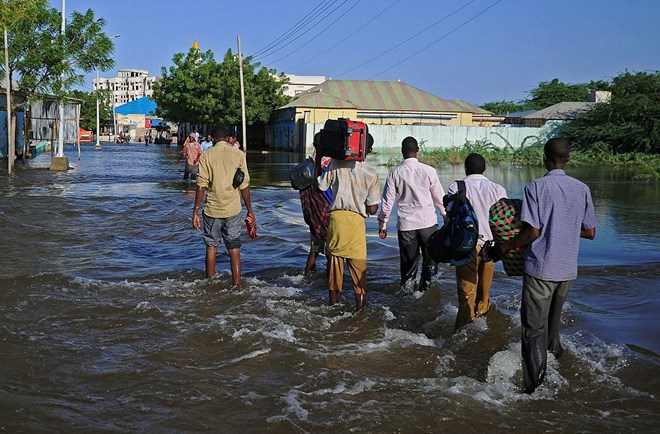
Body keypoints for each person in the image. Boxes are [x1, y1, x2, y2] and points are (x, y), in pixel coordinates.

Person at [496, 138, 596, 394]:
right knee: (553, 329)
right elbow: (590, 232)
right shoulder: (582, 188)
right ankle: (558, 371)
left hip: (541, 269)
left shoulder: (536, 187)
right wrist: (564, 226)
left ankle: (534, 388)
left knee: (532, 331)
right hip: (567, 271)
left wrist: (505, 247)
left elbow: (533, 232)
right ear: (568, 159)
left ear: (545, 158)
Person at [317, 134, 380, 311]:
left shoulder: (335, 164)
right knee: (359, 273)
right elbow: (373, 209)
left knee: (334, 271)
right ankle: (359, 311)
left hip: (337, 220)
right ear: (368, 150)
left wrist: (319, 156)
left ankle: (332, 308)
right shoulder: (371, 173)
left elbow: (320, 186)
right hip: (356, 223)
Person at [445, 153, 507, 331]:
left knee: (466, 297)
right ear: (485, 169)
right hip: (491, 249)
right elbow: (504, 221)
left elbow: (449, 217)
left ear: (465, 168)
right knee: (484, 296)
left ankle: (462, 336)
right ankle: (482, 333)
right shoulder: (498, 189)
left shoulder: (456, 187)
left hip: (466, 247)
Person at [378, 136, 446, 293]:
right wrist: (445, 216)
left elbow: (387, 202)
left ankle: (407, 296)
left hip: (406, 225)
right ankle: (427, 293)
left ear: (402, 151)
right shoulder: (429, 171)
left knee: (408, 266)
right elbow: (439, 199)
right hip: (428, 223)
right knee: (430, 263)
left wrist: (383, 224)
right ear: (417, 151)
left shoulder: (395, 173)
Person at [192, 126, 255, 288]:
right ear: (228, 138)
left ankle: (209, 285)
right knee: (234, 248)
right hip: (233, 209)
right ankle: (237, 285)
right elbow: (244, 185)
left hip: (212, 209)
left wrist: (196, 210)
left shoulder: (206, 156)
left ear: (212, 138)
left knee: (211, 247)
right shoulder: (239, 155)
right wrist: (250, 210)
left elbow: (201, 185)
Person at [298, 133, 332, 276]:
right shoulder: (329, 165)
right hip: (326, 214)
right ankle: (331, 280)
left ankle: (307, 277)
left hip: (313, 215)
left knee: (314, 249)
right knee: (332, 252)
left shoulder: (308, 164)